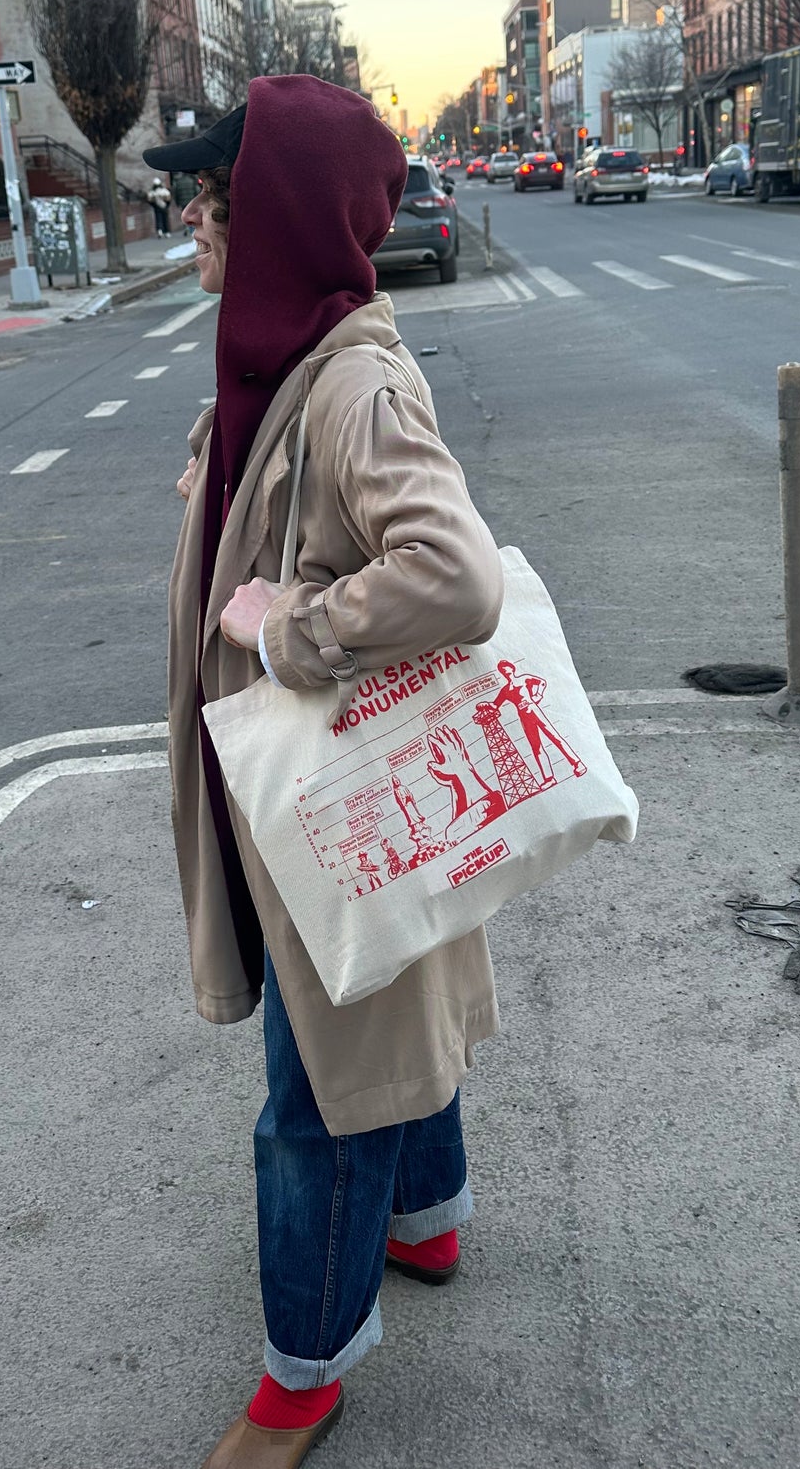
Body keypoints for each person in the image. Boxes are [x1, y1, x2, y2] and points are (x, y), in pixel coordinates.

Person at [153, 75, 504, 1468]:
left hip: (327, 796)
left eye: (214, 203)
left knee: (319, 1093)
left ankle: (300, 1378)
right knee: (388, 981)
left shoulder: (351, 384)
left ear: (281, 217)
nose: (191, 225)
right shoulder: (277, 360)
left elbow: (454, 574)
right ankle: (427, 1221)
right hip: (303, 793)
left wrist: (287, 626)